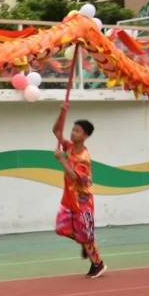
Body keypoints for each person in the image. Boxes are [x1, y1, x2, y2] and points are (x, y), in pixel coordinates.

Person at [52, 103, 106, 278]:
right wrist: (62, 112)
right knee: (61, 228)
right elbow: (56, 132)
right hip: (68, 198)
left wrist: (61, 160)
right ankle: (84, 243)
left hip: (82, 201)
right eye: (73, 129)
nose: (72, 133)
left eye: (77, 131)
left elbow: (74, 176)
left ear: (85, 136)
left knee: (87, 237)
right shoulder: (69, 147)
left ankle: (98, 264)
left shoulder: (84, 158)